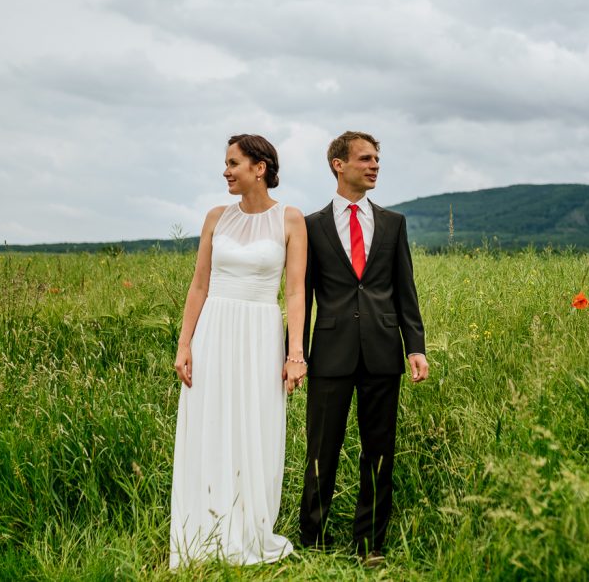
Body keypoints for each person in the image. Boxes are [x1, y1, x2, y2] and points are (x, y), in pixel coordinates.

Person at [169, 134, 308, 568]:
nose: (226, 171)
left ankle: (250, 528)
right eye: (226, 164)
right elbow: (199, 284)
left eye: (233, 163)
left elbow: (297, 291)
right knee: (210, 422)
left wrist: (295, 353)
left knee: (255, 422)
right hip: (214, 330)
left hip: (261, 331)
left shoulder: (291, 219)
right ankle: (204, 528)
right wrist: (185, 343)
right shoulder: (215, 217)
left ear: (260, 167)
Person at [298, 131, 429, 566]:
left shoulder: (393, 223)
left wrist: (416, 347)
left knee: (379, 451)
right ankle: (313, 540)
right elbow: (301, 295)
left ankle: (369, 545)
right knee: (321, 450)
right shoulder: (311, 225)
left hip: (382, 351)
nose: (374, 166)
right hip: (329, 354)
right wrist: (294, 354)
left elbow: (404, 291)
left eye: (377, 159)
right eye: (365, 159)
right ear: (339, 164)